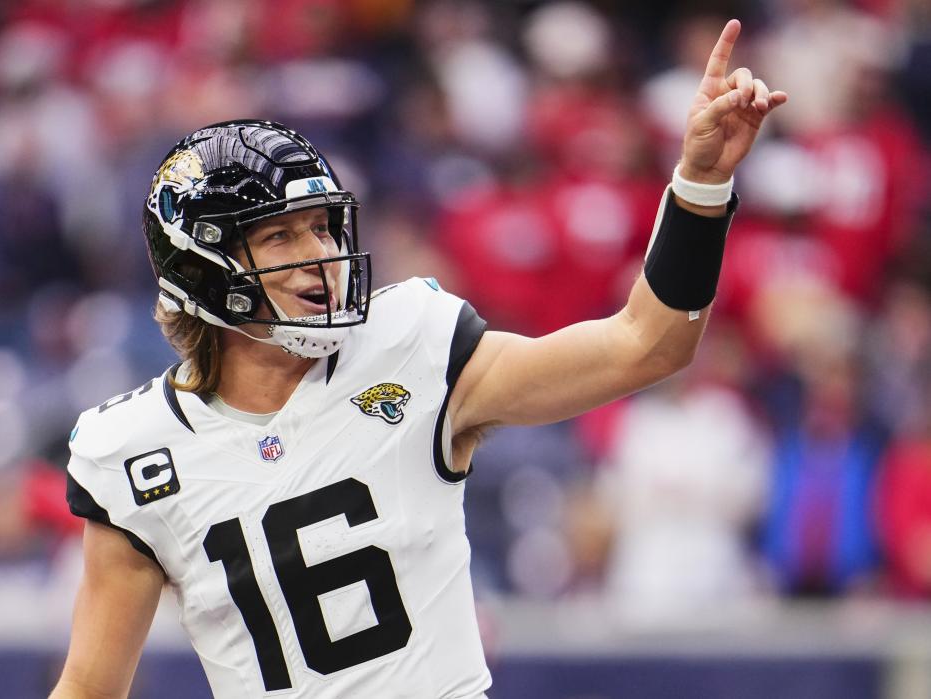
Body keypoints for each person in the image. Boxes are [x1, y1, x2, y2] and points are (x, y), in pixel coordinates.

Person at [50, 20, 785, 699]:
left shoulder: (413, 347)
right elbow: (88, 689)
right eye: (280, 237)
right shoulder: (136, 452)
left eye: (322, 228)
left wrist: (700, 183)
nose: (319, 258)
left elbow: (646, 345)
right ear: (202, 266)